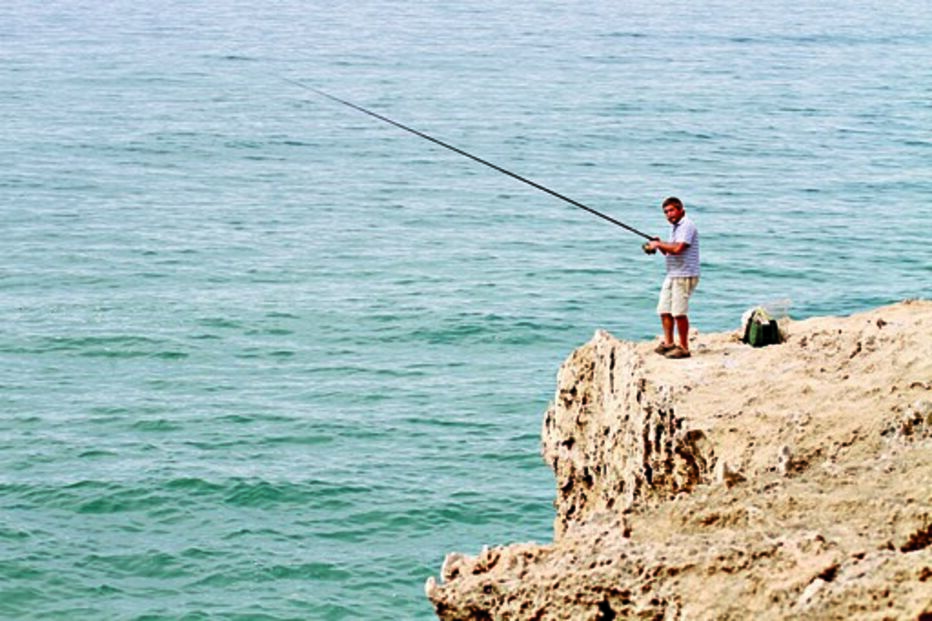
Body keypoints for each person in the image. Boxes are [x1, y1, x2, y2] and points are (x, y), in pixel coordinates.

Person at [645, 196, 700, 359]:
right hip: (673, 274)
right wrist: (659, 243)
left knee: (679, 313)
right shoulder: (675, 227)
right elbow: (669, 250)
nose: (669, 214)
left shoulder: (687, 225)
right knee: (664, 309)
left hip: (685, 275)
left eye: (671, 210)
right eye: (666, 212)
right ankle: (669, 344)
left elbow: (678, 249)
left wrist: (659, 244)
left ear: (681, 210)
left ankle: (684, 348)